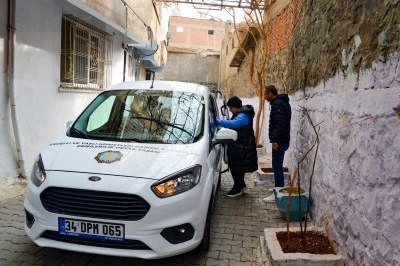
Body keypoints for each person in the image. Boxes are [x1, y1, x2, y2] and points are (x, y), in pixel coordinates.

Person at [216, 96, 258, 197]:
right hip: (240, 147)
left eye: (231, 108)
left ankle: (237, 189)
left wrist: (217, 121)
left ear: (235, 107)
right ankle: (241, 185)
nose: (230, 110)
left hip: (242, 148)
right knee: (238, 168)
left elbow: (234, 124)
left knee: (236, 168)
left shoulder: (243, 116)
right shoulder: (241, 113)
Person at [262, 85, 291, 203]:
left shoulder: (277, 104)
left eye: (265, 94)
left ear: (270, 94)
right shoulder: (281, 102)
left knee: (277, 167)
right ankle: (278, 188)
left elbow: (279, 123)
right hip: (283, 140)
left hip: (279, 141)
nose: (264, 97)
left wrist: (274, 140)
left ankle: (278, 193)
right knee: (277, 166)